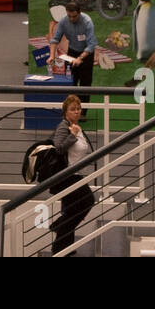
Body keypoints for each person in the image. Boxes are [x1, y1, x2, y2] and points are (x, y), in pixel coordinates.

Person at [49, 94, 95, 255]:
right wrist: (73, 135)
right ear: (65, 112)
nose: (77, 112)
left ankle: (64, 247)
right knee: (88, 201)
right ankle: (59, 231)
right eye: (73, 109)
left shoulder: (76, 126)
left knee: (72, 210)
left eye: (78, 108)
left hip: (75, 174)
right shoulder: (64, 126)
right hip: (66, 176)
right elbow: (59, 148)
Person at [50, 1, 97, 102]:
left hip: (86, 55)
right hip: (71, 53)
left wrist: (80, 58)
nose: (71, 19)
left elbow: (91, 45)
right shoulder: (63, 21)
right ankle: (70, 110)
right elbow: (55, 40)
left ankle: (83, 113)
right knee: (70, 82)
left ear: (79, 13)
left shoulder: (87, 22)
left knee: (85, 84)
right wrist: (51, 56)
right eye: (69, 16)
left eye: (74, 16)